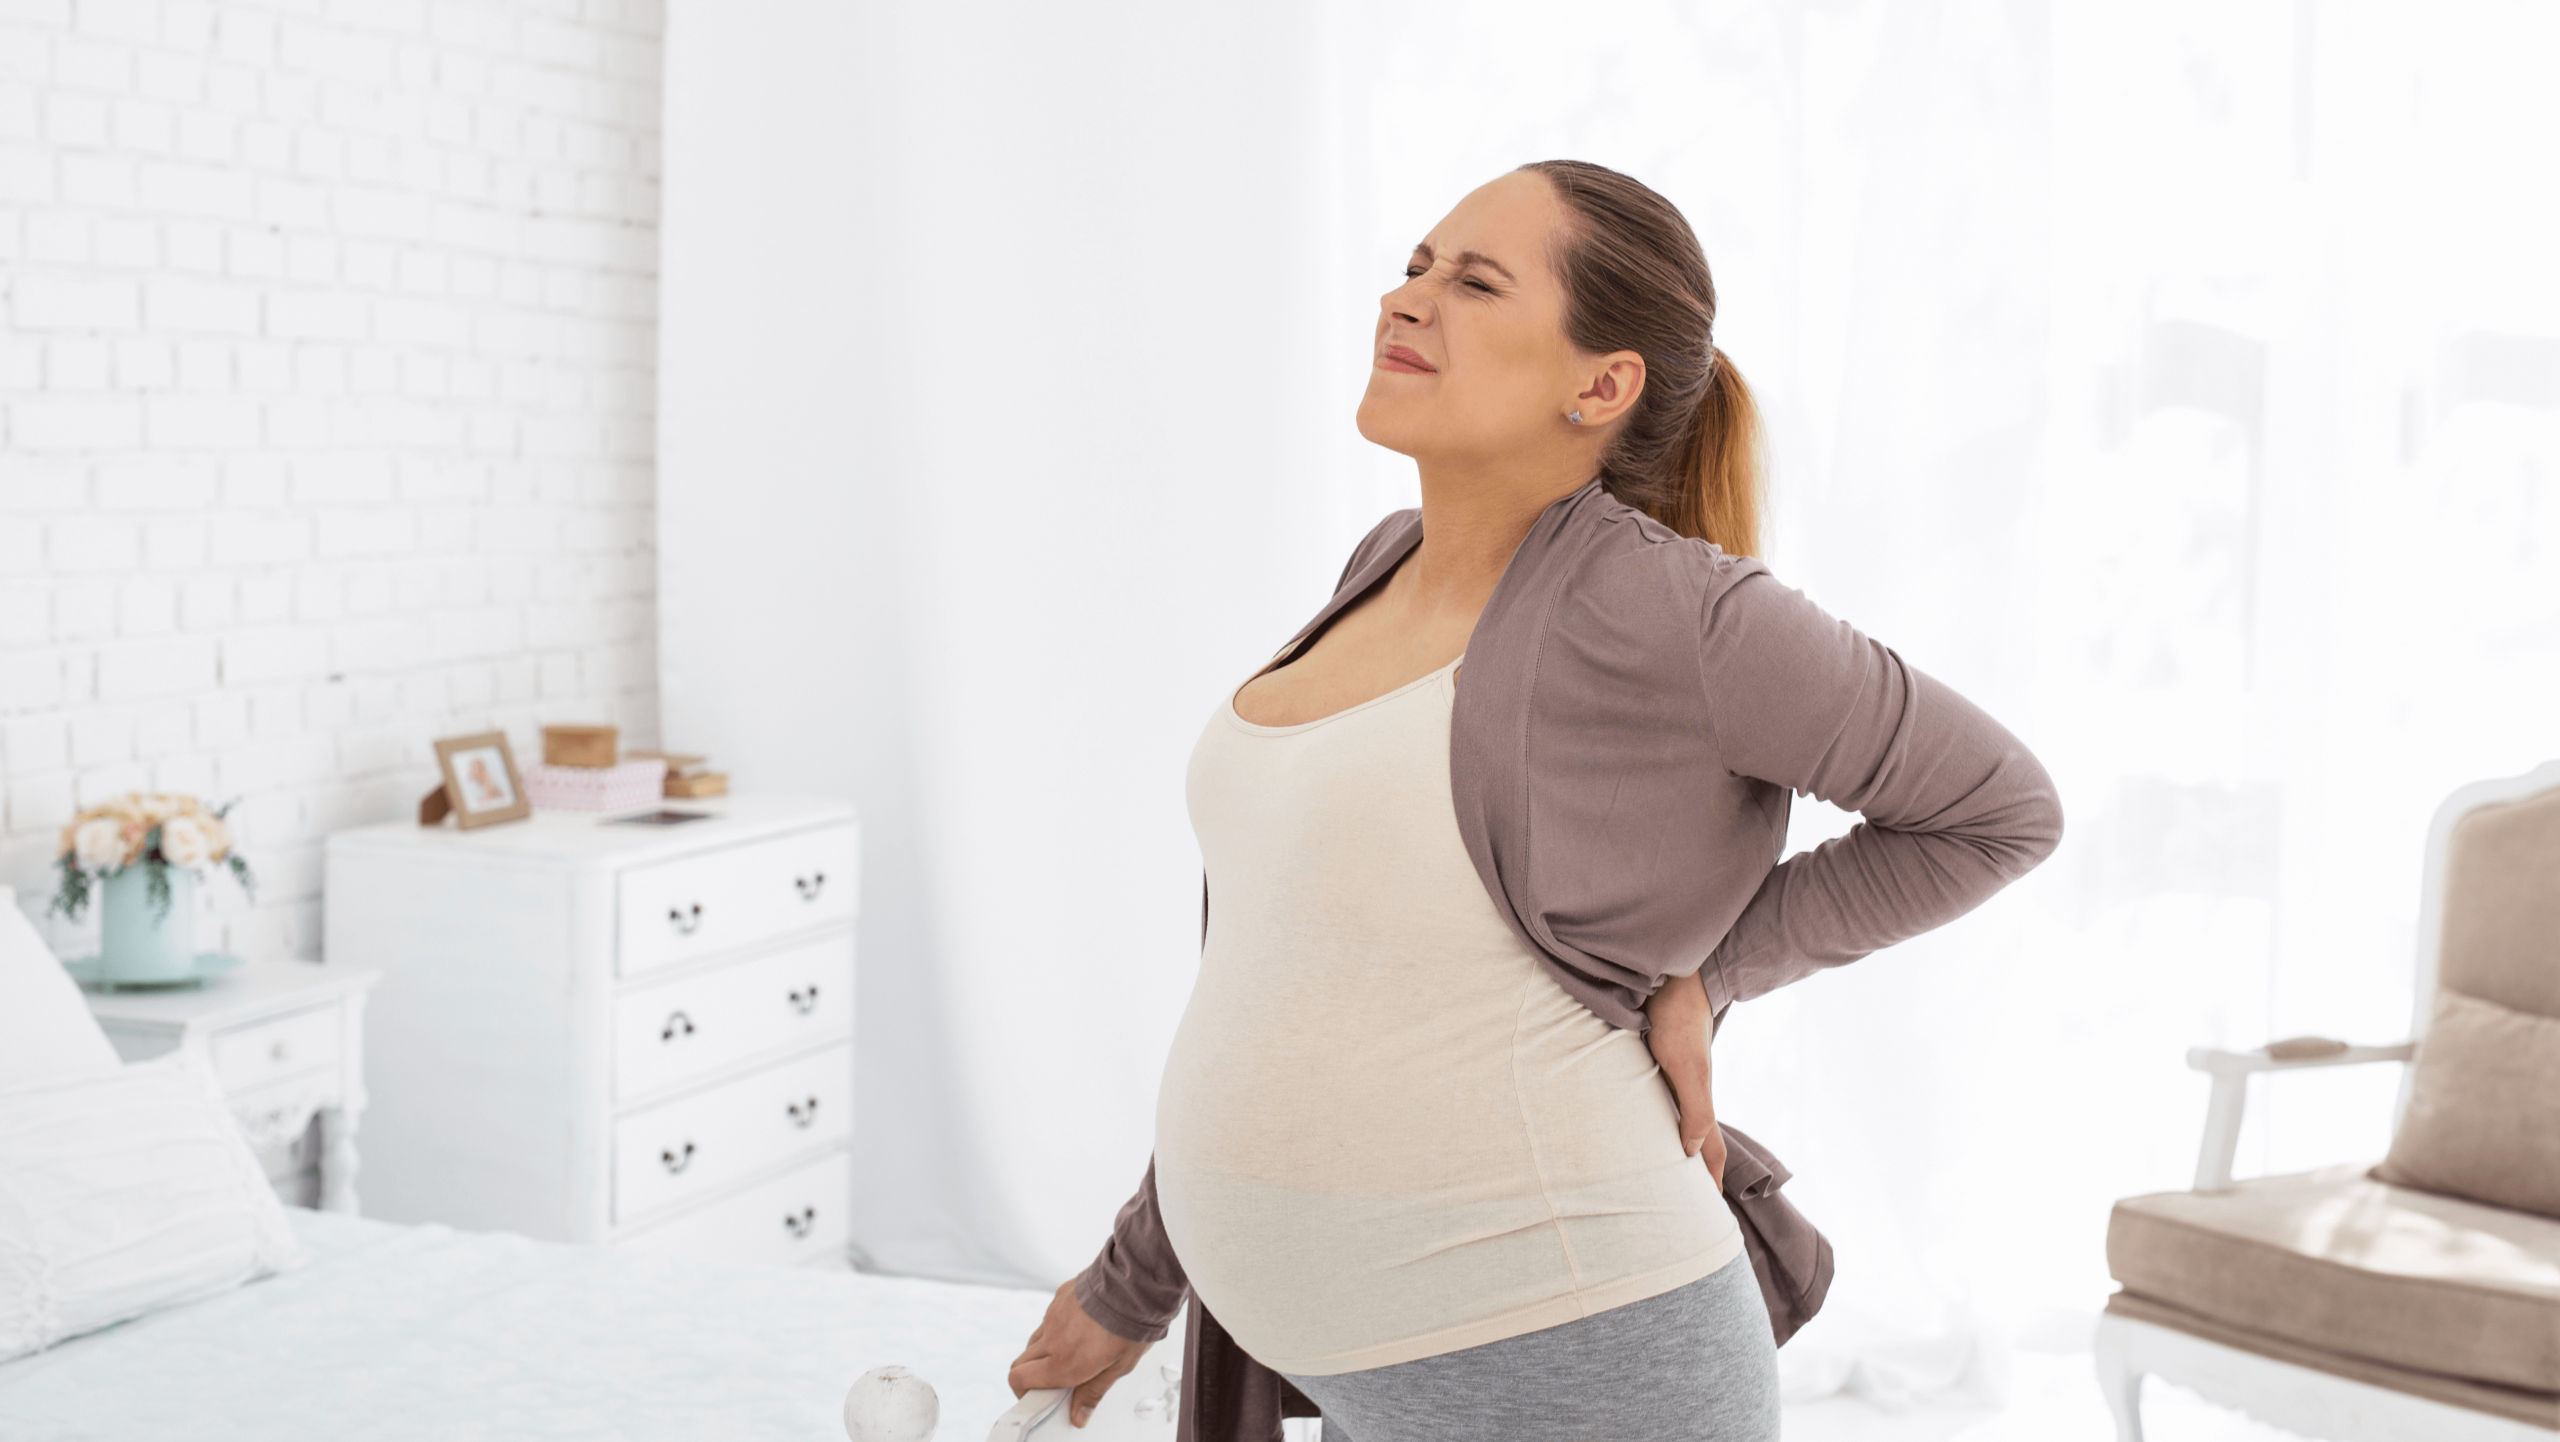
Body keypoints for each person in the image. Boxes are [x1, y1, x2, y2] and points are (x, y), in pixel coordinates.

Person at [1007, 159, 2064, 1442]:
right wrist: (1132, 1284)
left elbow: (1999, 808)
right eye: (1414, 265)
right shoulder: (1379, 566)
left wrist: (1706, 973)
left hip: (1575, 1355)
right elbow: (1281, 973)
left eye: (1475, 281)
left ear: (1600, 385)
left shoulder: (1675, 608)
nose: (1406, 298)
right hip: (1366, 1364)